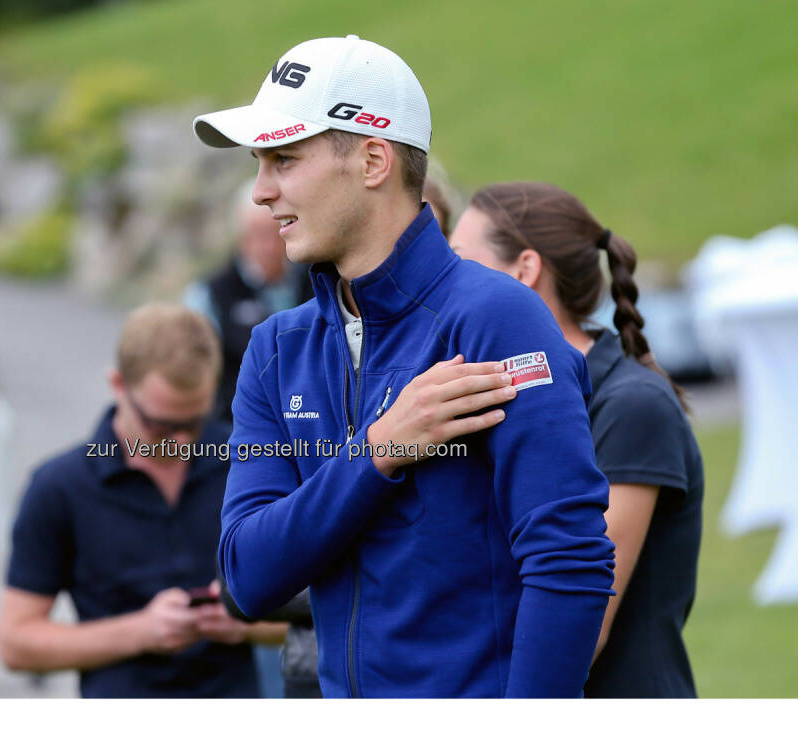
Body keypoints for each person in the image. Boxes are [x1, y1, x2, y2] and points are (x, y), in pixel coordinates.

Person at [194, 35, 614, 697]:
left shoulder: (497, 319)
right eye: (258, 164)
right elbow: (247, 577)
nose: (261, 192)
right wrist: (380, 450)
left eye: (283, 159)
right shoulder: (277, 351)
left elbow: (569, 563)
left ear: (372, 159)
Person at [450, 182, 704, 698]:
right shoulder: (502, 400)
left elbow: (583, 621)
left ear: (525, 270)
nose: (449, 287)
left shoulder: (633, 406)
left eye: (461, 264)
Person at [0, 303, 283, 698]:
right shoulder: (58, 486)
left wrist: (245, 623)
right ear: (117, 385)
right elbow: (15, 642)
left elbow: (320, 610)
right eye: (162, 426)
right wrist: (142, 631)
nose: (182, 442)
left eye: (195, 422)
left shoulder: (248, 460)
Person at [184, 178, 314, 424]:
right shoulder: (209, 295)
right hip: (238, 429)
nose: (269, 245)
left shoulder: (317, 280)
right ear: (241, 238)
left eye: (276, 232)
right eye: (259, 234)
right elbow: (196, 373)